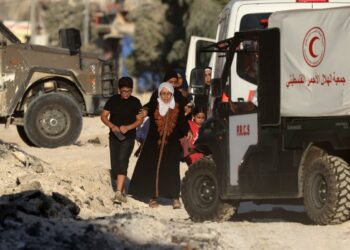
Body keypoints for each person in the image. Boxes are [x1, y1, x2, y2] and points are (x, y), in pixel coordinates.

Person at [128, 82, 188, 209]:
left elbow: (182, 123)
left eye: (168, 94)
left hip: (171, 145)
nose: (165, 96)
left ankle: (175, 198)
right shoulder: (155, 105)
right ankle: (153, 197)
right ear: (159, 94)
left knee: (172, 170)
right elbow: (146, 108)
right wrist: (144, 111)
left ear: (172, 94)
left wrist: (187, 131)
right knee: (152, 169)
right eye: (163, 94)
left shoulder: (177, 107)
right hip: (154, 144)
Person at [101, 76, 143, 204]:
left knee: (122, 161)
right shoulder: (113, 100)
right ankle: (122, 190)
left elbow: (140, 120)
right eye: (124, 91)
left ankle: (118, 193)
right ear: (119, 90)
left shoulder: (136, 102)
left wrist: (128, 127)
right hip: (113, 137)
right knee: (115, 166)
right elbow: (103, 116)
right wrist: (112, 126)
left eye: (129, 91)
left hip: (129, 137)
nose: (126, 94)